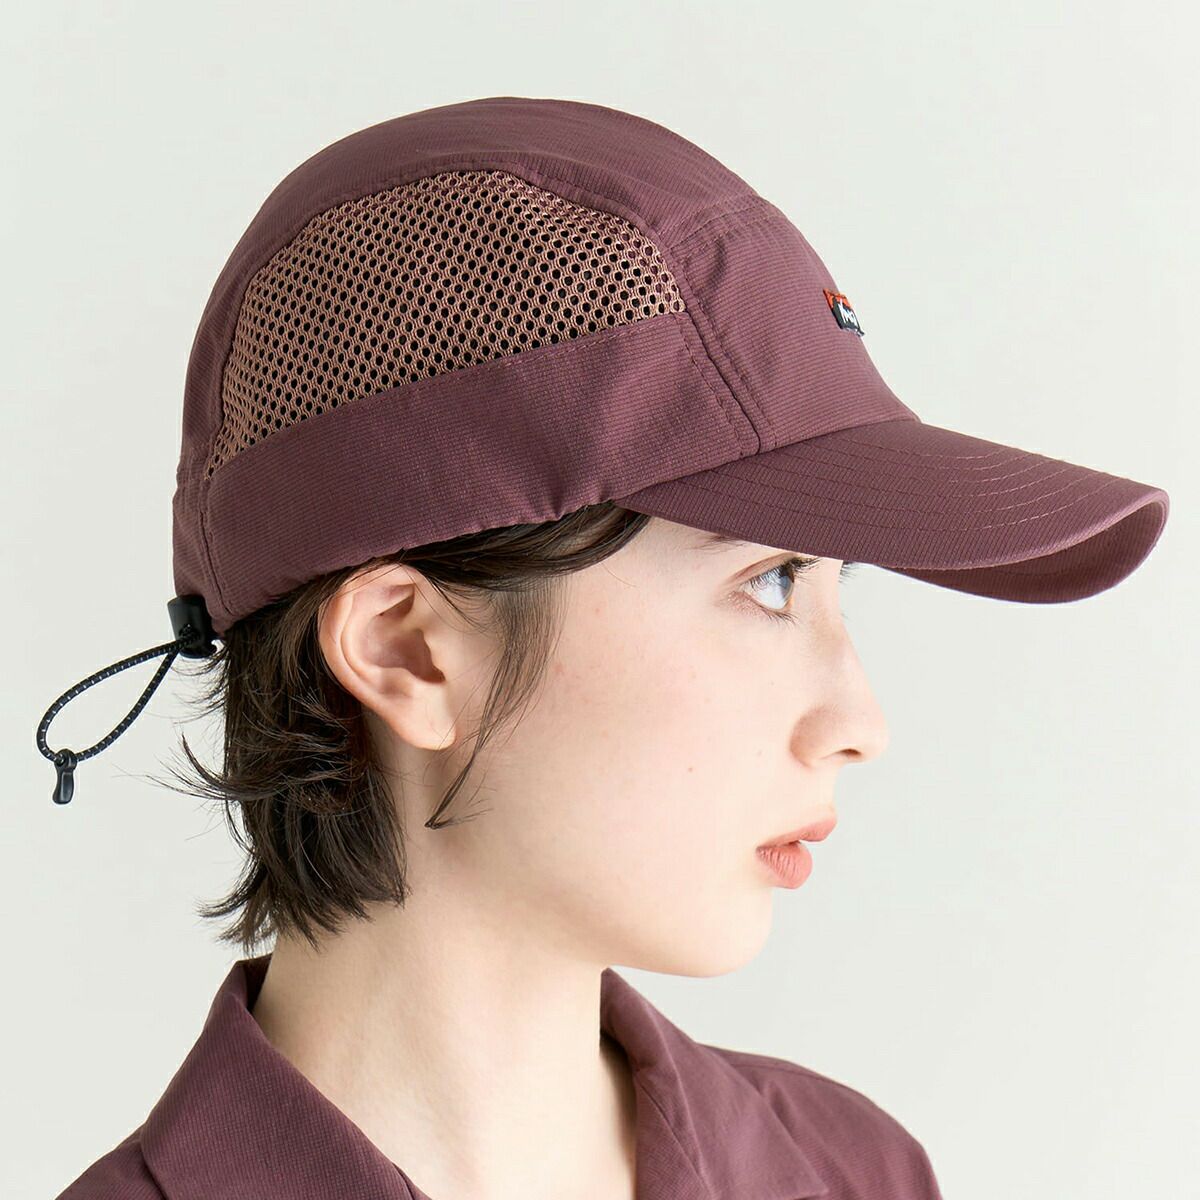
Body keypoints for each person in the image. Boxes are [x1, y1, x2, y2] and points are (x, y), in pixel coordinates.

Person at [41, 96, 1168, 1199]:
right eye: (770, 582)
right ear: (406, 649)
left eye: (838, 585)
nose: (860, 725)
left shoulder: (852, 1171)